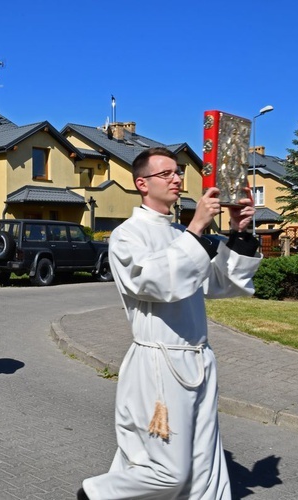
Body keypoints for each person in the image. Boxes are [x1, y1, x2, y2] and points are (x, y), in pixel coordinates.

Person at [77, 148, 261, 500]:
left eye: (178, 172)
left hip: (198, 358)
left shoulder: (180, 233)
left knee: (203, 467)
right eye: (167, 174)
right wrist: (196, 229)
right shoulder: (127, 235)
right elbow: (153, 284)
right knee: (168, 471)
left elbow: (217, 284)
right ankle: (95, 494)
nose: (177, 179)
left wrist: (238, 233)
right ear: (141, 183)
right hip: (158, 363)